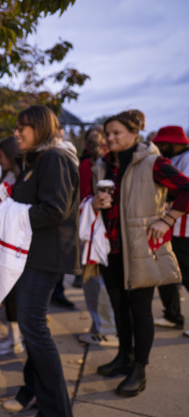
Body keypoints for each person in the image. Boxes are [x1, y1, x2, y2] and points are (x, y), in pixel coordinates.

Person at [91, 111, 189, 397]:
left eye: (117, 133)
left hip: (141, 248)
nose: (110, 138)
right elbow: (95, 201)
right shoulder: (103, 164)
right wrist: (97, 203)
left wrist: (168, 219)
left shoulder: (153, 163)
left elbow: (186, 188)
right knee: (119, 307)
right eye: (107, 133)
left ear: (134, 134)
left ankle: (140, 369)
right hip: (110, 249)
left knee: (141, 310)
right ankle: (123, 356)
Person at [1, 105, 80, 416]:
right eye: (17, 126)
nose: (16, 133)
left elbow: (55, 209)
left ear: (42, 129)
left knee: (33, 328)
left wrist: (12, 216)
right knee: (31, 327)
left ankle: (56, 409)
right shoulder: (37, 159)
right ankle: (34, 392)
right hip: (33, 254)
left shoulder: (54, 158)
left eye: (24, 127)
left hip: (45, 257)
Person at [77, 126, 119, 348]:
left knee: (93, 281)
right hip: (106, 228)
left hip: (93, 229)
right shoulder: (110, 164)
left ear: (85, 144)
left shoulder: (88, 165)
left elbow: (84, 196)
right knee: (101, 280)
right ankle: (103, 325)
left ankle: (106, 329)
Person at [0, 136, 25, 356]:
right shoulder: (9, 176)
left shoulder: (20, 178)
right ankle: (13, 338)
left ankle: (17, 340)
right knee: (9, 294)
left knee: (13, 293)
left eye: (1, 156)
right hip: (3, 242)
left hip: (13, 244)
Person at [150, 126, 189, 335]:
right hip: (169, 229)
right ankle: (172, 314)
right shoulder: (169, 159)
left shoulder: (187, 159)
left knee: (186, 274)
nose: (158, 146)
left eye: (161, 143)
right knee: (166, 273)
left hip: (184, 229)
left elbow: (185, 191)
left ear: (171, 142)